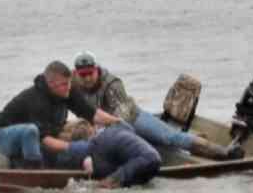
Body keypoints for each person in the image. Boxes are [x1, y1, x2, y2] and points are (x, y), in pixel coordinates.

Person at [70, 51, 242, 161]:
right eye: (82, 74)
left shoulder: (111, 84)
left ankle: (223, 152)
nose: (87, 78)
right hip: (107, 128)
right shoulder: (73, 84)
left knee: (171, 138)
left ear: (96, 70)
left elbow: (121, 118)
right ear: (76, 73)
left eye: (90, 73)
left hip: (132, 119)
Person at [0, 60, 122, 169]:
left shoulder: (67, 90)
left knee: (83, 131)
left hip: (43, 135)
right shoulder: (35, 100)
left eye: (70, 82)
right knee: (30, 132)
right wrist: (75, 147)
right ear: (51, 84)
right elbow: (45, 139)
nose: (69, 87)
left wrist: (117, 122)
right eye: (65, 84)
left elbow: (92, 114)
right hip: (3, 136)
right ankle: (33, 171)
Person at [65, 121, 161, 188]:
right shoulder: (117, 129)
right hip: (155, 160)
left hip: (140, 161)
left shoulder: (97, 145)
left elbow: (99, 171)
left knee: (103, 185)